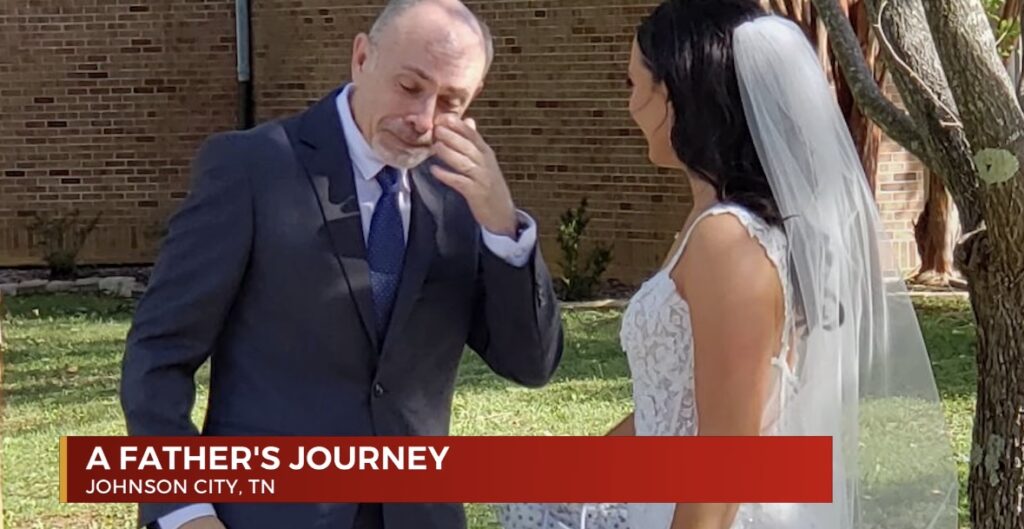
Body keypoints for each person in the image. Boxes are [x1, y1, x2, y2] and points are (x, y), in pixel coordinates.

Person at [496, 1, 958, 528]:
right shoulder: (714, 225)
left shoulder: (729, 242)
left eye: (634, 85)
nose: (630, 106)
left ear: (676, 95)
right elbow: (671, 410)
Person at [119, 1, 564, 528]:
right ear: (361, 58)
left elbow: (530, 364)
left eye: (450, 102)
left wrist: (502, 228)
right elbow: (158, 355)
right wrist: (184, 511)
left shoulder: (464, 199)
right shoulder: (252, 168)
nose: (423, 120)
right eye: (410, 87)